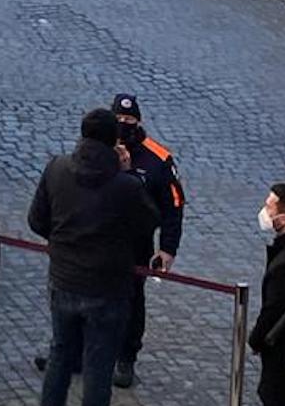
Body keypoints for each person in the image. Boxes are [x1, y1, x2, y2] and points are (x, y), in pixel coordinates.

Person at [29, 108, 160, 406]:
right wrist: (128, 174)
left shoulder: (57, 169)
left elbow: (37, 220)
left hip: (64, 280)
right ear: (113, 140)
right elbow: (148, 222)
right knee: (99, 368)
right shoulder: (125, 186)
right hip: (108, 288)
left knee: (60, 355)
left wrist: (63, 241)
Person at [110, 94, 185, 388]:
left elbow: (174, 205)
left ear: (138, 121)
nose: (123, 126)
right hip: (98, 239)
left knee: (131, 301)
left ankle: (126, 357)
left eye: (129, 121)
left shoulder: (158, 158)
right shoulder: (100, 148)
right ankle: (73, 350)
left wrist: (168, 248)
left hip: (136, 245)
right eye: (118, 121)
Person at [250, 183, 285, 406]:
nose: (265, 212)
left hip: (283, 351)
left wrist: (256, 339)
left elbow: (274, 308)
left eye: (270, 207)